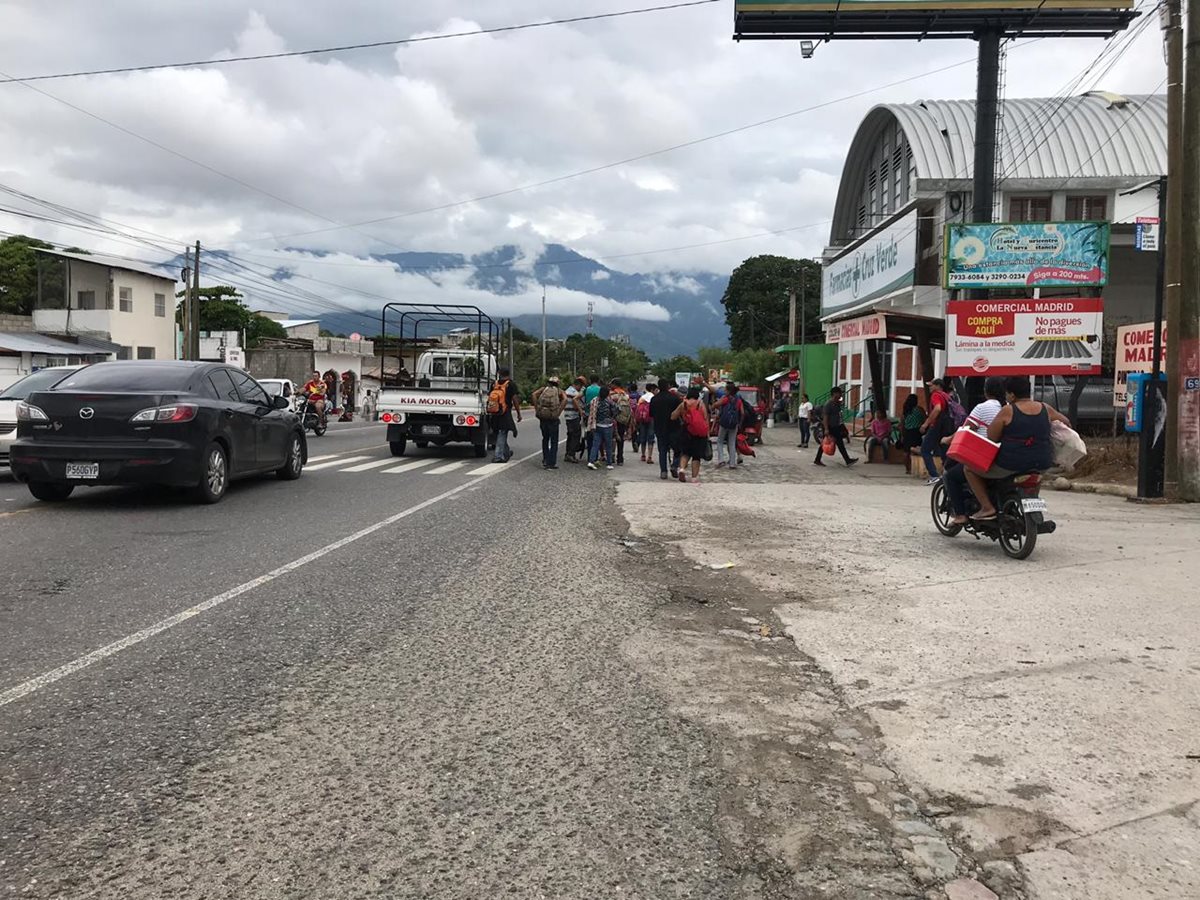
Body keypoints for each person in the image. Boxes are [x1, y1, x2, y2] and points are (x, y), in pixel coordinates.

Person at [962, 375, 1070, 521]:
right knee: (1035, 477)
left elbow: (992, 436)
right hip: (1042, 462)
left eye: (1007, 393)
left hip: (1011, 464)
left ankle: (987, 507)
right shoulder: (1045, 408)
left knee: (968, 468)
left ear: (1012, 395)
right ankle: (1032, 502)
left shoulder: (1008, 410)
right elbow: (1066, 423)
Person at [942, 376, 1007, 523]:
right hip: (1004, 458)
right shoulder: (1007, 407)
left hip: (984, 458)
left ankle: (960, 515)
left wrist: (947, 439)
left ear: (986, 391)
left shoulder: (982, 408)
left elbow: (965, 429)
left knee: (951, 476)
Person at [670, 385, 710, 483]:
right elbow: (705, 419)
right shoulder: (700, 404)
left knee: (685, 453)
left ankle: (682, 469)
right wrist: (707, 434)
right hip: (700, 433)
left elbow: (673, 416)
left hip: (686, 431)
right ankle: (694, 477)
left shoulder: (683, 404)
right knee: (696, 456)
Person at [918, 377, 952, 485]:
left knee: (925, 449)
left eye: (931, 385)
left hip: (936, 425)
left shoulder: (936, 395)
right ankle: (947, 473)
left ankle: (934, 475)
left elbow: (937, 408)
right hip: (946, 426)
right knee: (944, 450)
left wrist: (926, 423)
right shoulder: (947, 396)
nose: (930, 387)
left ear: (938, 386)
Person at [813, 387, 858, 467]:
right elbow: (825, 417)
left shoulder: (837, 403)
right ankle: (847, 460)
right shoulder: (828, 404)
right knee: (825, 443)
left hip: (836, 426)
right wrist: (826, 429)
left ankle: (847, 460)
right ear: (834, 394)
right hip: (830, 427)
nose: (841, 394)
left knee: (839, 443)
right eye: (839, 393)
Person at [650, 377, 682, 480]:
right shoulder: (674, 398)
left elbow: (651, 414)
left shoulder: (654, 399)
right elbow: (680, 413)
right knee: (678, 449)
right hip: (674, 428)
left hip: (660, 428)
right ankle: (675, 465)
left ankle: (663, 471)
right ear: (668, 386)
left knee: (662, 450)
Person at [487, 366, 521, 463]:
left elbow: (489, 397)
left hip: (494, 412)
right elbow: (515, 399)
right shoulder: (510, 384)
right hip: (505, 413)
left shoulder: (494, 384)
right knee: (502, 433)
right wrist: (518, 413)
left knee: (499, 434)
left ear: (499, 374)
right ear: (508, 374)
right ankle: (498, 456)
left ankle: (506, 452)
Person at [532, 375, 566, 469]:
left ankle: (545, 459)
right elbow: (565, 399)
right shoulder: (559, 391)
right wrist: (558, 412)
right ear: (557, 383)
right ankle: (551, 463)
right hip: (553, 418)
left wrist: (537, 409)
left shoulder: (543, 389)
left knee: (545, 439)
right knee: (554, 441)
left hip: (543, 417)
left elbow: (534, 395)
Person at [712, 381, 745, 470]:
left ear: (728, 391)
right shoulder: (738, 400)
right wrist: (739, 423)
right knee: (732, 443)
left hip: (724, 423)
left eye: (725, 389)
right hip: (734, 424)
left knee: (720, 441)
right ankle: (732, 463)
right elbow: (742, 412)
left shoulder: (725, 398)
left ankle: (721, 460)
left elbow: (715, 405)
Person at [586, 385, 618, 470]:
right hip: (608, 425)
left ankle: (591, 461)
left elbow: (589, 409)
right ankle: (609, 463)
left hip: (597, 425)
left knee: (595, 445)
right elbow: (617, 409)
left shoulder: (595, 400)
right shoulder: (609, 401)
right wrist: (612, 417)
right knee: (608, 445)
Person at [609, 378, 633, 466]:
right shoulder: (625, 394)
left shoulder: (612, 394)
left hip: (613, 419)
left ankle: (611, 456)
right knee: (621, 438)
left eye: (611, 384)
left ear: (615, 385)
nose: (610, 386)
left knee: (612, 438)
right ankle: (620, 458)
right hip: (623, 419)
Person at [563, 376, 585, 463]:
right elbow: (576, 405)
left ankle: (567, 453)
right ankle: (571, 454)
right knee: (576, 435)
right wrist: (581, 410)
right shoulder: (574, 393)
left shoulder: (566, 391)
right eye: (580, 386)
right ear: (578, 385)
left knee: (570, 435)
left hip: (567, 416)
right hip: (574, 416)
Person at [636, 382, 657, 464]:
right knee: (650, 438)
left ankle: (643, 455)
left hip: (642, 418)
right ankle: (650, 457)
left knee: (643, 436)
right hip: (651, 419)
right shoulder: (653, 397)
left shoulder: (642, 397)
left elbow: (638, 408)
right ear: (652, 390)